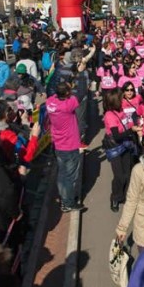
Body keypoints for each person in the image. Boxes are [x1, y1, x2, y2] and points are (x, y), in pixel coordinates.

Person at [47, 80, 87, 213]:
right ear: (67, 94)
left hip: (58, 144)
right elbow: (81, 92)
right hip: (70, 145)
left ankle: (65, 197)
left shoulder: (50, 102)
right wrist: (80, 75)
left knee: (62, 174)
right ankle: (68, 202)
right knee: (70, 176)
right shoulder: (68, 105)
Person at [102, 90, 139, 212]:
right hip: (115, 148)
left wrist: (135, 126)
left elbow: (127, 124)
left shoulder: (121, 111)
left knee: (127, 174)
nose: (123, 100)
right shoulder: (109, 115)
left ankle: (124, 196)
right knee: (119, 176)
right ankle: (115, 198)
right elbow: (117, 136)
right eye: (120, 98)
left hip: (126, 145)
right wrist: (131, 130)